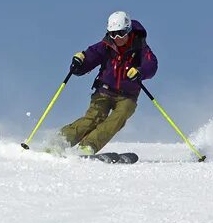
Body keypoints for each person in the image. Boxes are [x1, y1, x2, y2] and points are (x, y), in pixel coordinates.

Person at [57, 11, 158, 154]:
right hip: (104, 90)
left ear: (128, 30)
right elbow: (91, 56)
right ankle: (60, 141)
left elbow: (151, 64)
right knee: (94, 118)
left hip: (128, 96)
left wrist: (140, 72)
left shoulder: (140, 47)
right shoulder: (106, 46)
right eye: (113, 34)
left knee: (118, 118)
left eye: (121, 33)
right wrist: (79, 63)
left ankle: (88, 146)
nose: (117, 38)